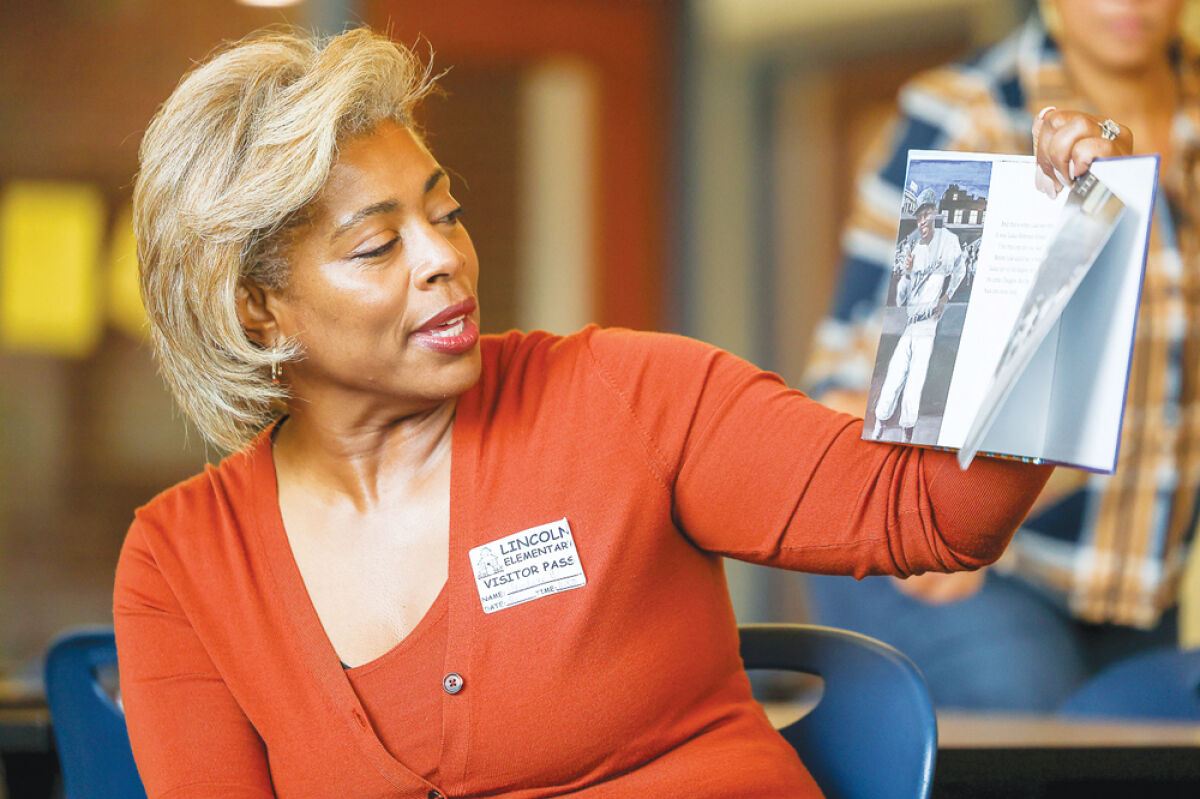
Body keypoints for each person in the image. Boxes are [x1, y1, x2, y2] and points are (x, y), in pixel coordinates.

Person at [113, 26, 1120, 799]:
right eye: (378, 247)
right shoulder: (181, 562)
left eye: (446, 212)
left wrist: (1042, 248)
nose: (443, 259)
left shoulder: (623, 397)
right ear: (258, 308)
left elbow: (935, 510)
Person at [804, 0, 1195, 711]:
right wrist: (918, 510)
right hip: (972, 554)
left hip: (1133, 578)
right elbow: (849, 367)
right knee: (1040, 749)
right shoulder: (971, 111)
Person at [870, 187, 965, 442]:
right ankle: (880, 423)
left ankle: (907, 432)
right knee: (895, 374)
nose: (923, 219)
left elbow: (960, 270)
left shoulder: (949, 240)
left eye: (927, 213)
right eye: (920, 215)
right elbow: (901, 298)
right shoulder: (914, 247)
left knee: (915, 380)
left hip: (928, 324)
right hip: (910, 324)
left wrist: (946, 298)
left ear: (935, 212)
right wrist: (908, 273)